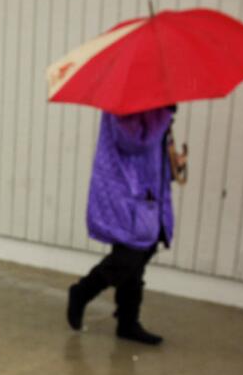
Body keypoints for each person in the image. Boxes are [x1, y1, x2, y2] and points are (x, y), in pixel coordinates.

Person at [66, 106, 182, 345]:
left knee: (141, 252)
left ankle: (128, 321)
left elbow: (152, 146)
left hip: (146, 190)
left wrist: (171, 161)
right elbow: (132, 142)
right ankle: (82, 291)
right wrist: (164, 115)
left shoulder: (154, 104)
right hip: (125, 188)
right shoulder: (125, 103)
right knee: (129, 255)